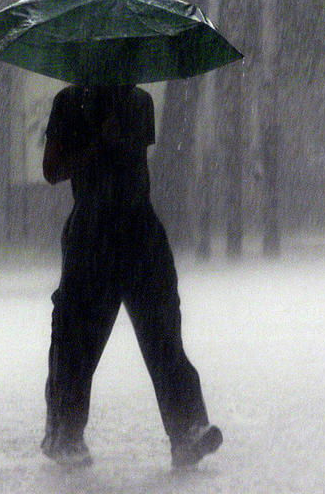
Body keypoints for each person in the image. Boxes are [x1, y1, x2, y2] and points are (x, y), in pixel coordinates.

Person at [40, 83, 222, 469]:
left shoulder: (139, 102)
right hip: (92, 232)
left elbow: (133, 163)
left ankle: (187, 430)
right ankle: (65, 434)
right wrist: (96, 143)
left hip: (139, 229)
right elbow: (52, 169)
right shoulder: (70, 103)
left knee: (163, 335)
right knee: (77, 340)